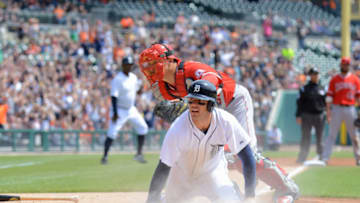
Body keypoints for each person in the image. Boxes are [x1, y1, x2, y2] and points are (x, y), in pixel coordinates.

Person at [139, 43, 299, 201]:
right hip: (209, 112)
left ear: (169, 60)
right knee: (206, 159)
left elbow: (211, 79)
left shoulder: (189, 69)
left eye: (154, 63)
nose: (150, 69)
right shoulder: (164, 88)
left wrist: (194, 99)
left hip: (233, 102)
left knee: (246, 153)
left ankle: (286, 187)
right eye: (148, 66)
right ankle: (227, 191)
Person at [146, 80, 256, 203]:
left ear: (211, 105)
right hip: (181, 175)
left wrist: (250, 196)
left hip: (213, 173)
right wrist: (152, 199)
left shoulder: (226, 122)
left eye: (200, 102)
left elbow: (247, 158)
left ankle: (231, 189)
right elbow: (163, 166)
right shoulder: (178, 128)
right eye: (191, 101)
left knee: (227, 200)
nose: (194, 105)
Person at [101, 56, 149, 164]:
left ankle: (139, 154)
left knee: (143, 128)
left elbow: (137, 91)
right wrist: (115, 113)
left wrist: (141, 87)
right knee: (112, 133)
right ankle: (105, 156)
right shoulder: (117, 79)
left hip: (131, 109)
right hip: (119, 109)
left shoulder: (133, 77)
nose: (129, 67)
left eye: (130, 65)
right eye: (127, 65)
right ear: (122, 66)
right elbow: (113, 97)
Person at [322, 57, 360, 166]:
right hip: (337, 108)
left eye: (347, 65)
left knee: (354, 135)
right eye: (344, 64)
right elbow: (329, 98)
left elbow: (358, 97)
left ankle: (358, 158)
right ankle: (325, 158)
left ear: (349, 66)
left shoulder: (355, 79)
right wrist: (328, 113)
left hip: (350, 108)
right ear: (341, 65)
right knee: (332, 135)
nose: (345, 66)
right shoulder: (334, 79)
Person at [295, 67, 326, 163]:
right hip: (306, 115)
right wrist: (298, 115)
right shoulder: (304, 88)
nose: (315, 76)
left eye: (316, 74)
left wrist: (327, 114)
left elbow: (326, 103)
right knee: (305, 137)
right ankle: (302, 157)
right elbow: (299, 103)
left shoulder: (322, 88)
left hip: (319, 115)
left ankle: (321, 156)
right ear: (310, 75)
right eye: (313, 74)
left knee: (320, 137)